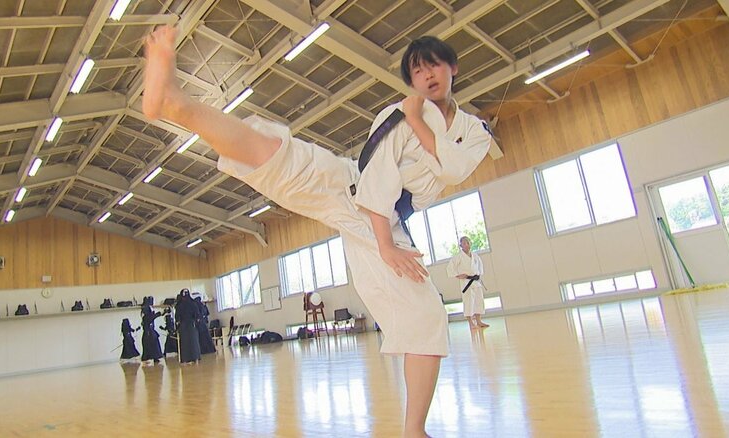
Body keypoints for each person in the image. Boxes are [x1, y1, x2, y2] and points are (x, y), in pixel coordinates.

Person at [143, 27, 491, 437]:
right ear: (411, 81)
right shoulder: (396, 116)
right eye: (418, 71)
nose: (428, 75)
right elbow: (377, 179)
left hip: (385, 221)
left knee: (428, 315)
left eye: (434, 65)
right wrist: (384, 244)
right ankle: (177, 104)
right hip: (359, 194)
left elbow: (455, 168)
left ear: (453, 67)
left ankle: (414, 429)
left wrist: (418, 120)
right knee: (278, 153)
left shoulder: (473, 129)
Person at [447, 236, 489, 330]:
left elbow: (480, 267)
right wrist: (458, 275)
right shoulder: (458, 257)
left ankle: (479, 321)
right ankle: (471, 323)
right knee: (468, 302)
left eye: (468, 242)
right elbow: (450, 267)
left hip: (476, 281)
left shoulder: (475, 256)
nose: (467, 244)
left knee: (478, 300)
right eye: (464, 243)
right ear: (461, 245)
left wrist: (478, 275)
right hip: (466, 282)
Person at [174, 288, 201, 364]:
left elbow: (177, 317)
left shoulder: (179, 305)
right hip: (192, 325)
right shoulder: (193, 303)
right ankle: (195, 357)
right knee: (193, 341)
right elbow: (197, 315)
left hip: (183, 325)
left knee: (185, 342)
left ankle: (186, 359)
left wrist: (177, 325)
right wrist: (197, 323)